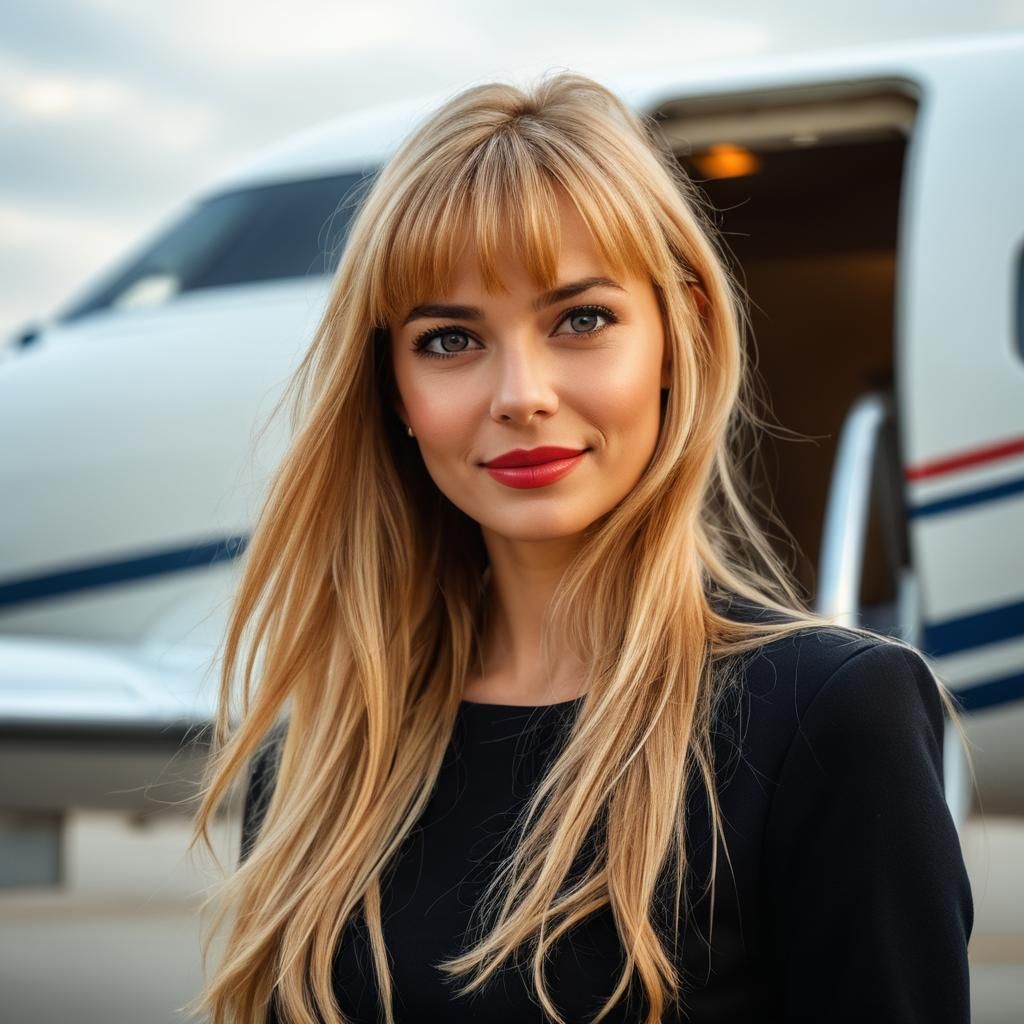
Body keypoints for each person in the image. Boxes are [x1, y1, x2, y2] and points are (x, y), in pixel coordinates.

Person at [187, 72, 974, 1024]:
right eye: (449, 340)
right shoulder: (320, 760)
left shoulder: (833, 716)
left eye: (582, 320)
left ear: (680, 333)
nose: (521, 395)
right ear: (394, 389)